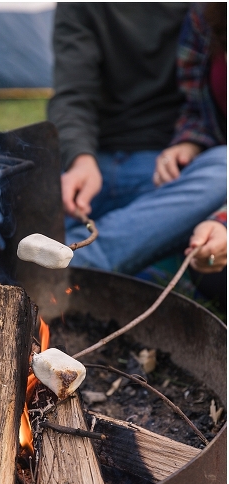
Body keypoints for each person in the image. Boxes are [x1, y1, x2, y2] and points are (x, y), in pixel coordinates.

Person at [48, 3, 227, 276]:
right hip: (95, 167)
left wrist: (190, 143)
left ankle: (76, 263)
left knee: (224, 168)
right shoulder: (80, 5)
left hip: (166, 176)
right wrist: (80, 159)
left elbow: (200, 103)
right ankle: (141, 248)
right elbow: (72, 96)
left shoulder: (202, 10)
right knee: (10, 199)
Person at [152, 2, 227, 299]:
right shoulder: (206, 16)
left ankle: (84, 265)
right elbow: (197, 107)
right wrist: (190, 141)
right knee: (203, 259)